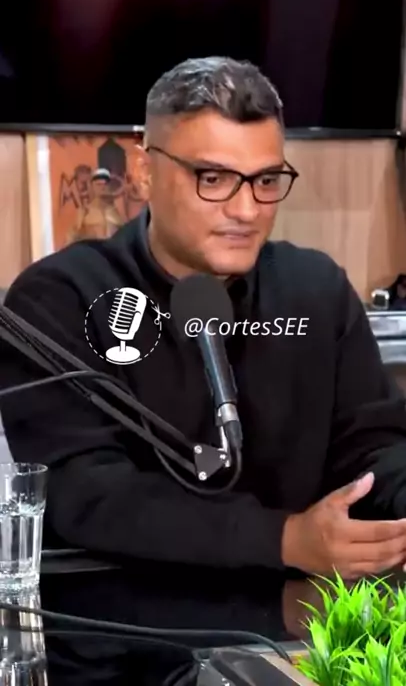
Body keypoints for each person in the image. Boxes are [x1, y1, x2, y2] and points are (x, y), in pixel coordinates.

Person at [1, 56, 406, 580]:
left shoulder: (317, 289)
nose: (246, 210)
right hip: (124, 617)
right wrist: (282, 539)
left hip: (300, 612)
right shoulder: (59, 299)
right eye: (213, 178)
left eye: (266, 180)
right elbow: (86, 493)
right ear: (144, 171)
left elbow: (373, 447)